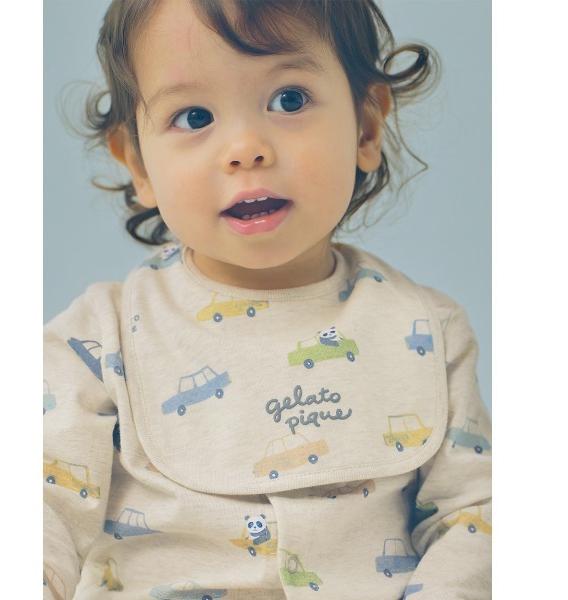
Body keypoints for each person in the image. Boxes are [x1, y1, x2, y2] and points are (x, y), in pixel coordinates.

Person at [44, 1, 491, 598]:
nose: (246, 148)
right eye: (194, 116)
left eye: (290, 100)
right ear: (138, 164)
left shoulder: (428, 330)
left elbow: (474, 519)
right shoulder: (96, 343)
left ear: (365, 129)